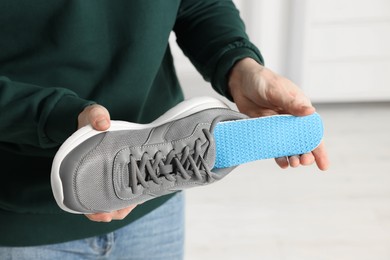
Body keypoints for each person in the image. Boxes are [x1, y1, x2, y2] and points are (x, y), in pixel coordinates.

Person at [0, 0, 329, 259]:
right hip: (17, 220)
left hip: (155, 193)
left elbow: (196, 4)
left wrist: (239, 64)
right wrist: (55, 116)